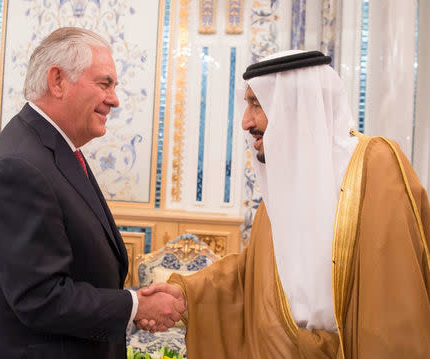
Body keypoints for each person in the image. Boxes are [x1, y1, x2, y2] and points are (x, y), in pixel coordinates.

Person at [140, 50, 430, 358]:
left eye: (257, 104)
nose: (245, 122)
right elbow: (253, 272)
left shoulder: (374, 164)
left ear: (294, 104)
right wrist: (186, 293)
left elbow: (398, 291)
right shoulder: (283, 182)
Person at [0, 27, 184, 359]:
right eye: (104, 84)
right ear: (57, 80)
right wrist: (135, 305)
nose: (114, 99)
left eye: (114, 86)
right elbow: (40, 298)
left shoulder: (53, 148)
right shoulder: (19, 165)